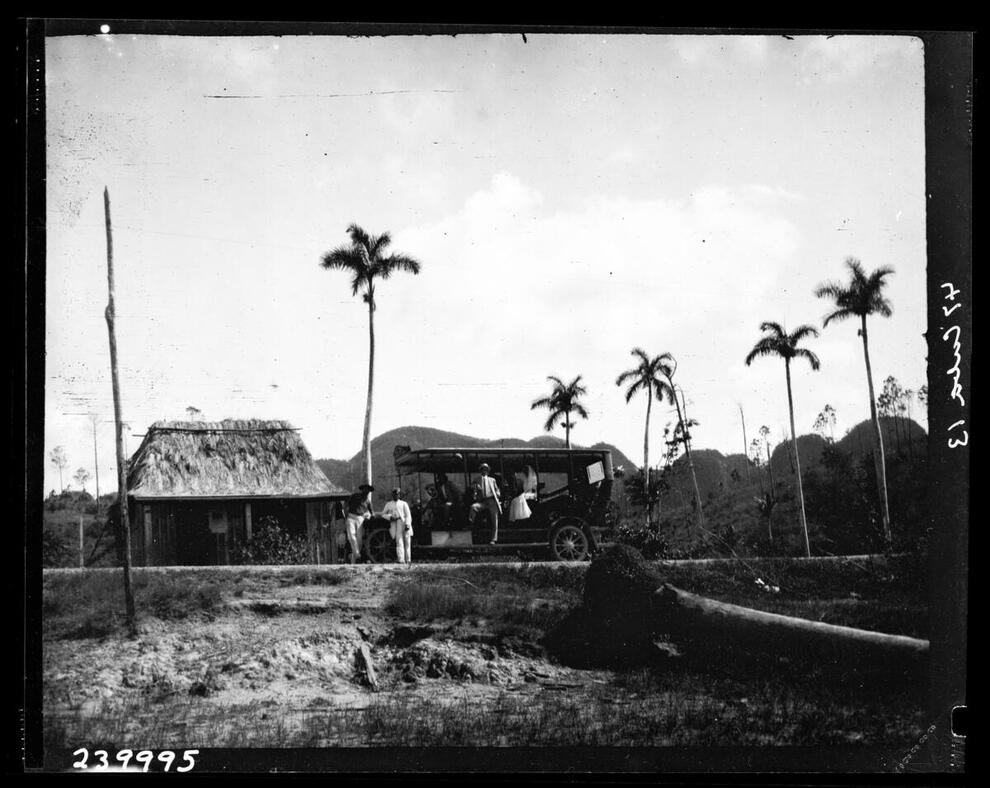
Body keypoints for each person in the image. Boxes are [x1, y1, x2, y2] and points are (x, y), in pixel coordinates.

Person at [473, 462, 503, 544]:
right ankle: (471, 526)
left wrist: (497, 494)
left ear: (488, 471)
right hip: (482, 502)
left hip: (491, 501)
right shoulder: (477, 480)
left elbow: (497, 490)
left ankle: (493, 539)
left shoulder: (492, 480)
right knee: (473, 507)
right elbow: (474, 493)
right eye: (483, 470)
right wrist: (476, 491)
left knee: (494, 518)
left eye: (486, 470)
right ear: (481, 471)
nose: (484, 471)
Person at [382, 487, 414, 564]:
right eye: (394, 494)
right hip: (396, 523)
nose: (395, 495)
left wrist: (407, 524)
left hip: (404, 522)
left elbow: (408, 515)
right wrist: (390, 517)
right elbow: (383, 514)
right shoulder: (389, 504)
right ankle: (401, 559)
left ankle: (408, 559)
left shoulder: (404, 503)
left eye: (397, 494)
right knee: (399, 541)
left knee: (407, 541)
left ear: (399, 495)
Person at [345, 483, 374, 564]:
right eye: (365, 489)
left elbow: (372, 512)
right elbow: (346, 504)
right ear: (362, 490)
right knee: (351, 536)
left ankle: (354, 559)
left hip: (360, 518)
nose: (366, 491)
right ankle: (357, 555)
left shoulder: (368, 501)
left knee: (359, 539)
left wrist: (369, 516)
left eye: (368, 490)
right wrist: (346, 514)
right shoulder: (354, 496)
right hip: (351, 517)